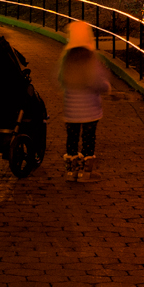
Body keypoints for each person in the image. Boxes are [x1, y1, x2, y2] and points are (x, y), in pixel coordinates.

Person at [59, 20, 111, 182]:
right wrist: (106, 87)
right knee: (89, 139)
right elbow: (96, 81)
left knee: (72, 140)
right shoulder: (90, 59)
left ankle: (70, 171)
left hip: (71, 110)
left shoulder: (67, 59)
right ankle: (85, 172)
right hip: (90, 110)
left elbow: (59, 78)